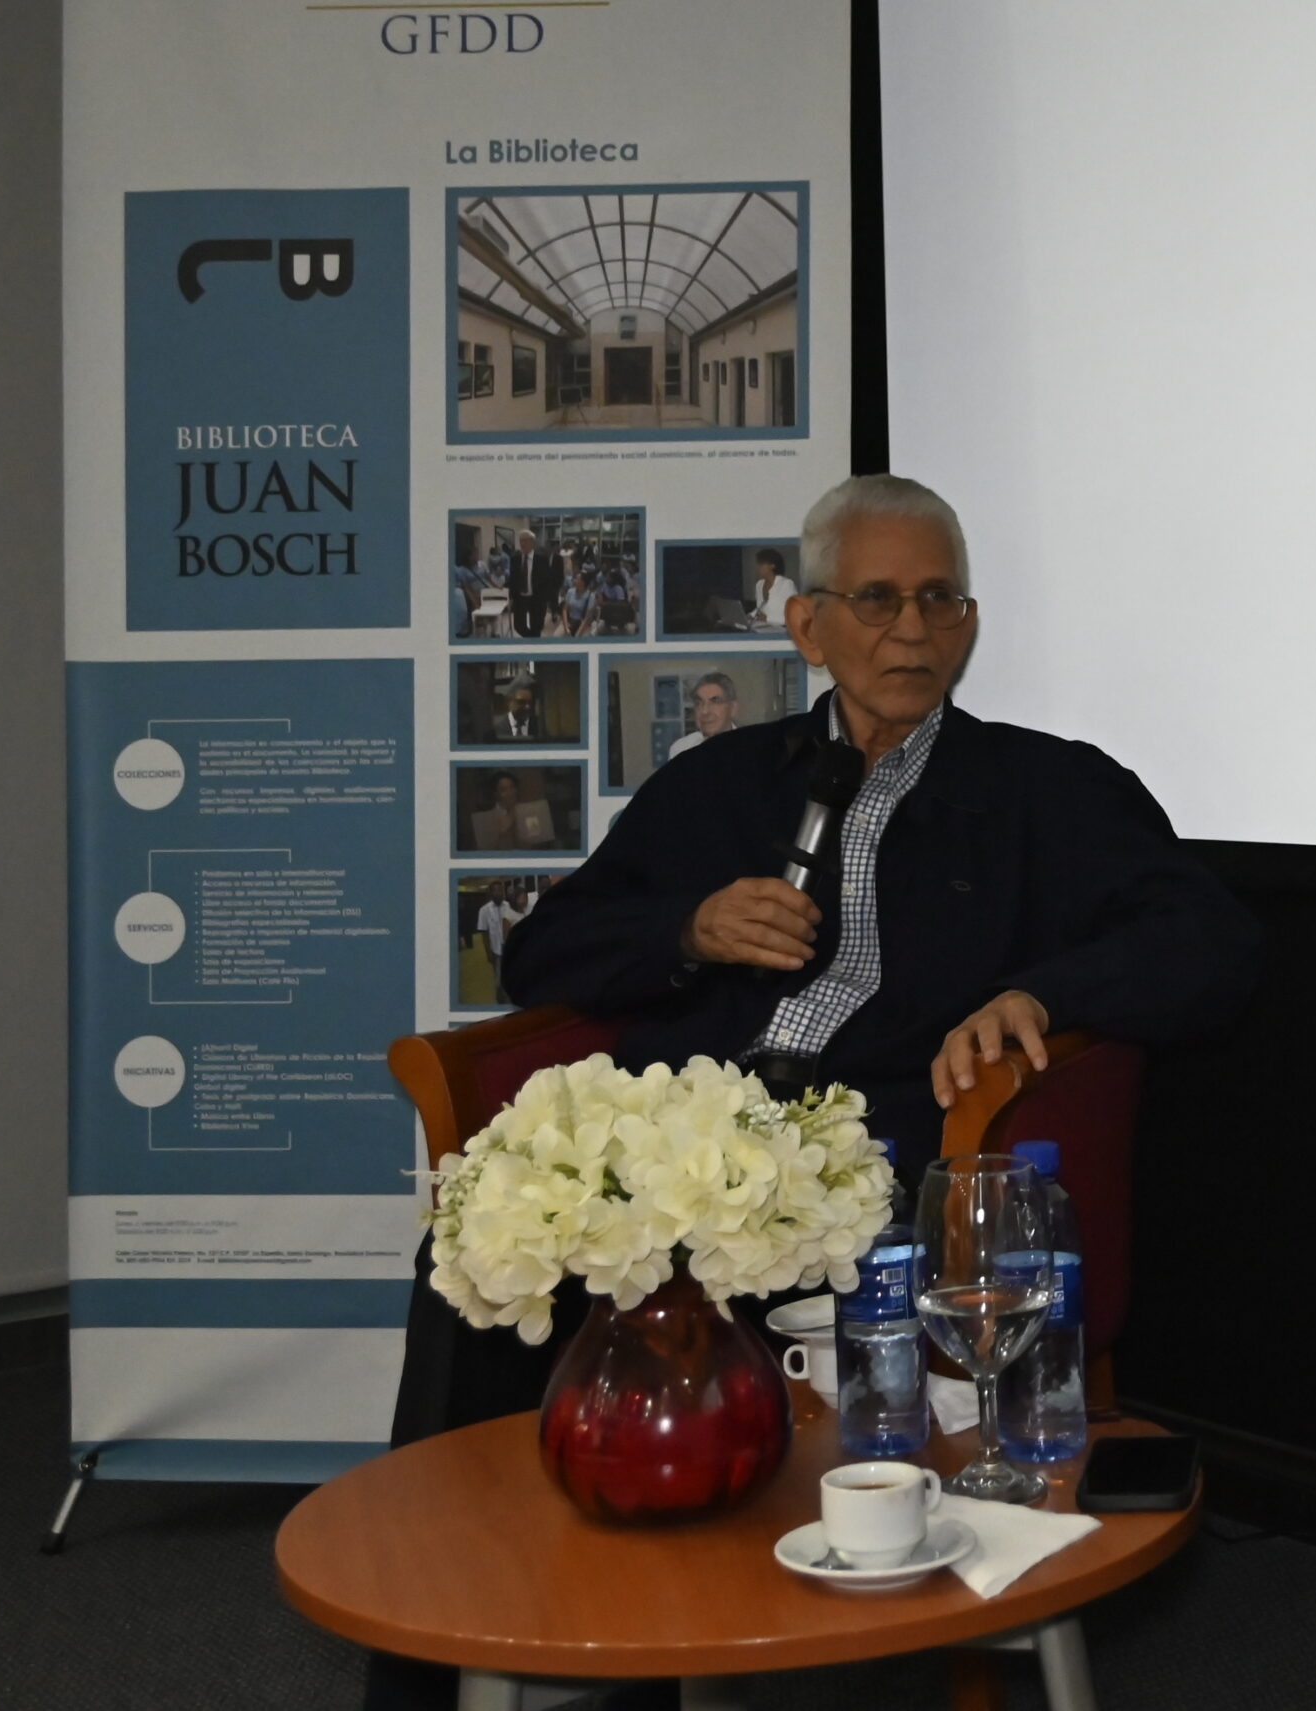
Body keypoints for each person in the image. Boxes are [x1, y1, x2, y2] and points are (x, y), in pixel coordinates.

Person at [386, 472, 1259, 1449]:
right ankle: (471, 1541)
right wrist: (688, 928)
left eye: (941, 599)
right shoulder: (718, 784)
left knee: (780, 1254)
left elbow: (1209, 943)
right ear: (807, 627)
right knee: (481, 1249)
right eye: (877, 599)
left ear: (969, 626)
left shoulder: (1048, 789)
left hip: (875, 1155)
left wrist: (1043, 993)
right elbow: (543, 954)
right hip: (685, 1141)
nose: (914, 629)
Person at [665, 671, 738, 758]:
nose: (704, 711)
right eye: (698, 703)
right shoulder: (681, 748)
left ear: (732, 708)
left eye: (715, 701)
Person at [507, 529, 558, 638]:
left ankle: (533, 647)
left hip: (537, 599)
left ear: (533, 543)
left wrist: (546, 599)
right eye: (521, 540)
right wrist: (511, 597)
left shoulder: (542, 560)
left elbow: (548, 580)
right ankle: (531, 639)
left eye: (525, 540)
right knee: (518, 626)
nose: (522, 543)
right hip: (520, 598)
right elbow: (512, 579)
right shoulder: (514, 559)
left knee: (536, 627)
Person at [749, 545, 799, 625]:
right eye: (758, 564)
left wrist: (768, 619)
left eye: (761, 564)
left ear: (772, 566)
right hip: (763, 628)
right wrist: (750, 615)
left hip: (781, 630)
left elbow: (795, 615)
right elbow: (761, 608)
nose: (758, 567)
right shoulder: (759, 585)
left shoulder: (786, 584)